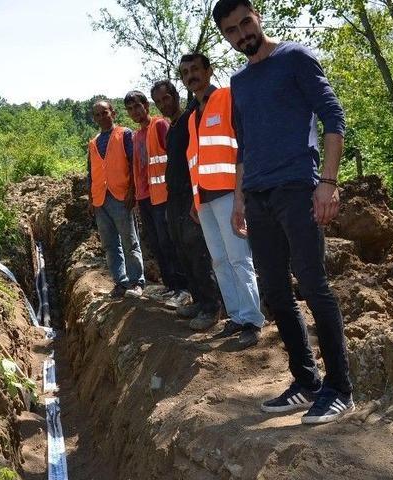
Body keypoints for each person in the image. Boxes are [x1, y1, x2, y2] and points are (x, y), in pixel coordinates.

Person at [213, 0, 354, 424]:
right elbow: (244, 144)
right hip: (257, 195)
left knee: (313, 284)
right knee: (275, 291)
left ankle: (339, 388)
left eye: (245, 23)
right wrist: (238, 198)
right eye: (232, 31)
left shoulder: (296, 57)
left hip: (297, 188)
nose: (242, 35)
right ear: (226, 36)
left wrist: (327, 184)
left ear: (257, 15)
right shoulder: (238, 80)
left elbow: (334, 119)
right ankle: (306, 381)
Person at [180, 53, 265, 349]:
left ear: (208, 71)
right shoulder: (192, 116)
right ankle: (237, 316)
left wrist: (242, 196)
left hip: (230, 193)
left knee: (239, 258)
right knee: (219, 260)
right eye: (185, 72)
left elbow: (243, 146)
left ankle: (253, 320)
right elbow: (196, 160)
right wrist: (195, 198)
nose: (191, 75)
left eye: (195, 69)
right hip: (203, 199)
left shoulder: (227, 98)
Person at [150, 80, 221, 326]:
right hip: (174, 197)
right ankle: (198, 300)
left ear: (176, 96)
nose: (162, 105)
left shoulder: (191, 120)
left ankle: (212, 307)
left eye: (166, 99)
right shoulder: (173, 128)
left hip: (190, 194)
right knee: (181, 249)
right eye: (158, 102)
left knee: (197, 249)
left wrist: (195, 194)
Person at [123, 90, 190, 308]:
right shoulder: (136, 135)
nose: (134, 112)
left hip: (162, 195)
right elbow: (137, 168)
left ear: (146, 106)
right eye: (130, 109)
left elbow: (174, 158)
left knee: (168, 242)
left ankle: (183, 289)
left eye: (137, 106)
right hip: (144, 197)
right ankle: (170, 286)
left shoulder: (159, 126)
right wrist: (134, 195)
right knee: (157, 245)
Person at [87, 100, 145, 299]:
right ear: (94, 118)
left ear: (112, 113)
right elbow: (91, 172)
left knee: (129, 241)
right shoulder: (94, 142)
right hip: (100, 199)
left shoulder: (125, 134)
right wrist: (90, 197)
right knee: (110, 244)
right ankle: (121, 281)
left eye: (105, 113)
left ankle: (136, 281)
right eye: (97, 115)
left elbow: (133, 164)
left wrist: (132, 191)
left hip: (121, 196)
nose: (102, 117)